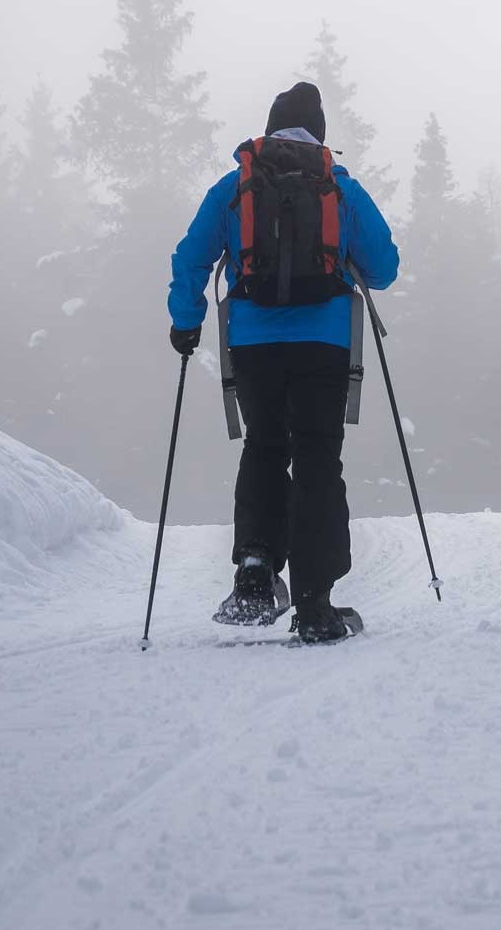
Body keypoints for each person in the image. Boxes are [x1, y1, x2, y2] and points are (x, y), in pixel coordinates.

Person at [167, 81, 399, 641]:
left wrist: (185, 321)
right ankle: (316, 605)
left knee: (265, 446)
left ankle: (253, 571)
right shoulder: (338, 187)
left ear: (269, 128)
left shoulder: (236, 185)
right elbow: (385, 267)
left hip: (253, 343)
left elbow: (191, 255)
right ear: (319, 134)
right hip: (323, 343)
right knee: (318, 457)